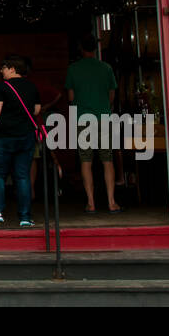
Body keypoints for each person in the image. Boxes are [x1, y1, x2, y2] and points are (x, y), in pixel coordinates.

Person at [65, 35, 121, 213]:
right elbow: (112, 96)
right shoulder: (106, 68)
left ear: (81, 48)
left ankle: (91, 202)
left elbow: (71, 98)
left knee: (86, 161)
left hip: (83, 119)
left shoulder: (73, 69)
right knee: (107, 160)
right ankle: (112, 202)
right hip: (104, 117)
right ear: (95, 49)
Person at [0, 53, 41, 228]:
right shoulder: (32, 87)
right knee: (22, 176)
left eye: (3, 67)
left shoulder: (2, 87)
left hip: (2, 137)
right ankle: (25, 217)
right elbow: (37, 110)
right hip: (25, 136)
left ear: (12, 69)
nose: (1, 71)